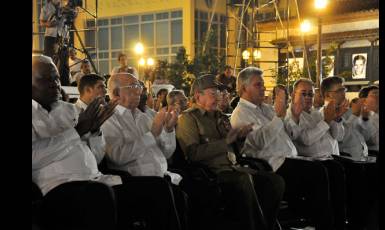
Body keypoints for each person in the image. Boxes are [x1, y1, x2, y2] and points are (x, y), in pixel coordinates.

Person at [32, 55, 182, 230]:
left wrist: (95, 132)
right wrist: (78, 131)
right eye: (46, 79)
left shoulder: (69, 110)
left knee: (159, 188)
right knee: (99, 195)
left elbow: (94, 157)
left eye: (57, 78)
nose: (55, 83)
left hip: (97, 180)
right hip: (58, 188)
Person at [231, 67, 338, 230]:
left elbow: (289, 132)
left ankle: (335, 220)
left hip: (290, 158)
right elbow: (259, 142)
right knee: (318, 172)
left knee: (333, 169)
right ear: (244, 88)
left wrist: (293, 115)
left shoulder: (265, 108)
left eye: (263, 84)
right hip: (272, 165)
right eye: (258, 85)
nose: (263, 88)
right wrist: (278, 117)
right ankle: (323, 224)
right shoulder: (240, 113)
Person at [176, 74, 285, 230]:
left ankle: (265, 224)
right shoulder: (189, 118)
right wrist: (225, 142)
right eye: (213, 93)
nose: (218, 97)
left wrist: (239, 138)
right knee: (243, 180)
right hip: (211, 173)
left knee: (274, 181)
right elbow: (192, 154)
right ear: (198, 96)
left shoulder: (220, 117)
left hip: (233, 167)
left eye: (219, 92)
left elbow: (235, 150)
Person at [102, 73, 189, 230]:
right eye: (133, 87)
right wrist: (152, 134)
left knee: (192, 188)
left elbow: (167, 153)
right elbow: (118, 157)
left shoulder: (144, 117)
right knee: (166, 192)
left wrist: (168, 130)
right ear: (116, 93)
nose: (139, 91)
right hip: (133, 181)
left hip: (161, 177)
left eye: (139, 86)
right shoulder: (108, 118)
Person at [285, 77, 348, 230]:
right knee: (335, 171)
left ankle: (346, 221)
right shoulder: (291, 114)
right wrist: (326, 121)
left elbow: (338, 136)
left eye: (311, 94)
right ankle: (329, 224)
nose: (308, 98)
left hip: (329, 158)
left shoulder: (316, 113)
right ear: (294, 94)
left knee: (356, 171)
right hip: (311, 161)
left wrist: (336, 118)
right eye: (303, 94)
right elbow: (305, 140)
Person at [359, 85, 379, 152]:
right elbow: (369, 141)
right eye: (375, 94)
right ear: (364, 100)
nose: (378, 96)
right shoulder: (359, 117)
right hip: (371, 155)